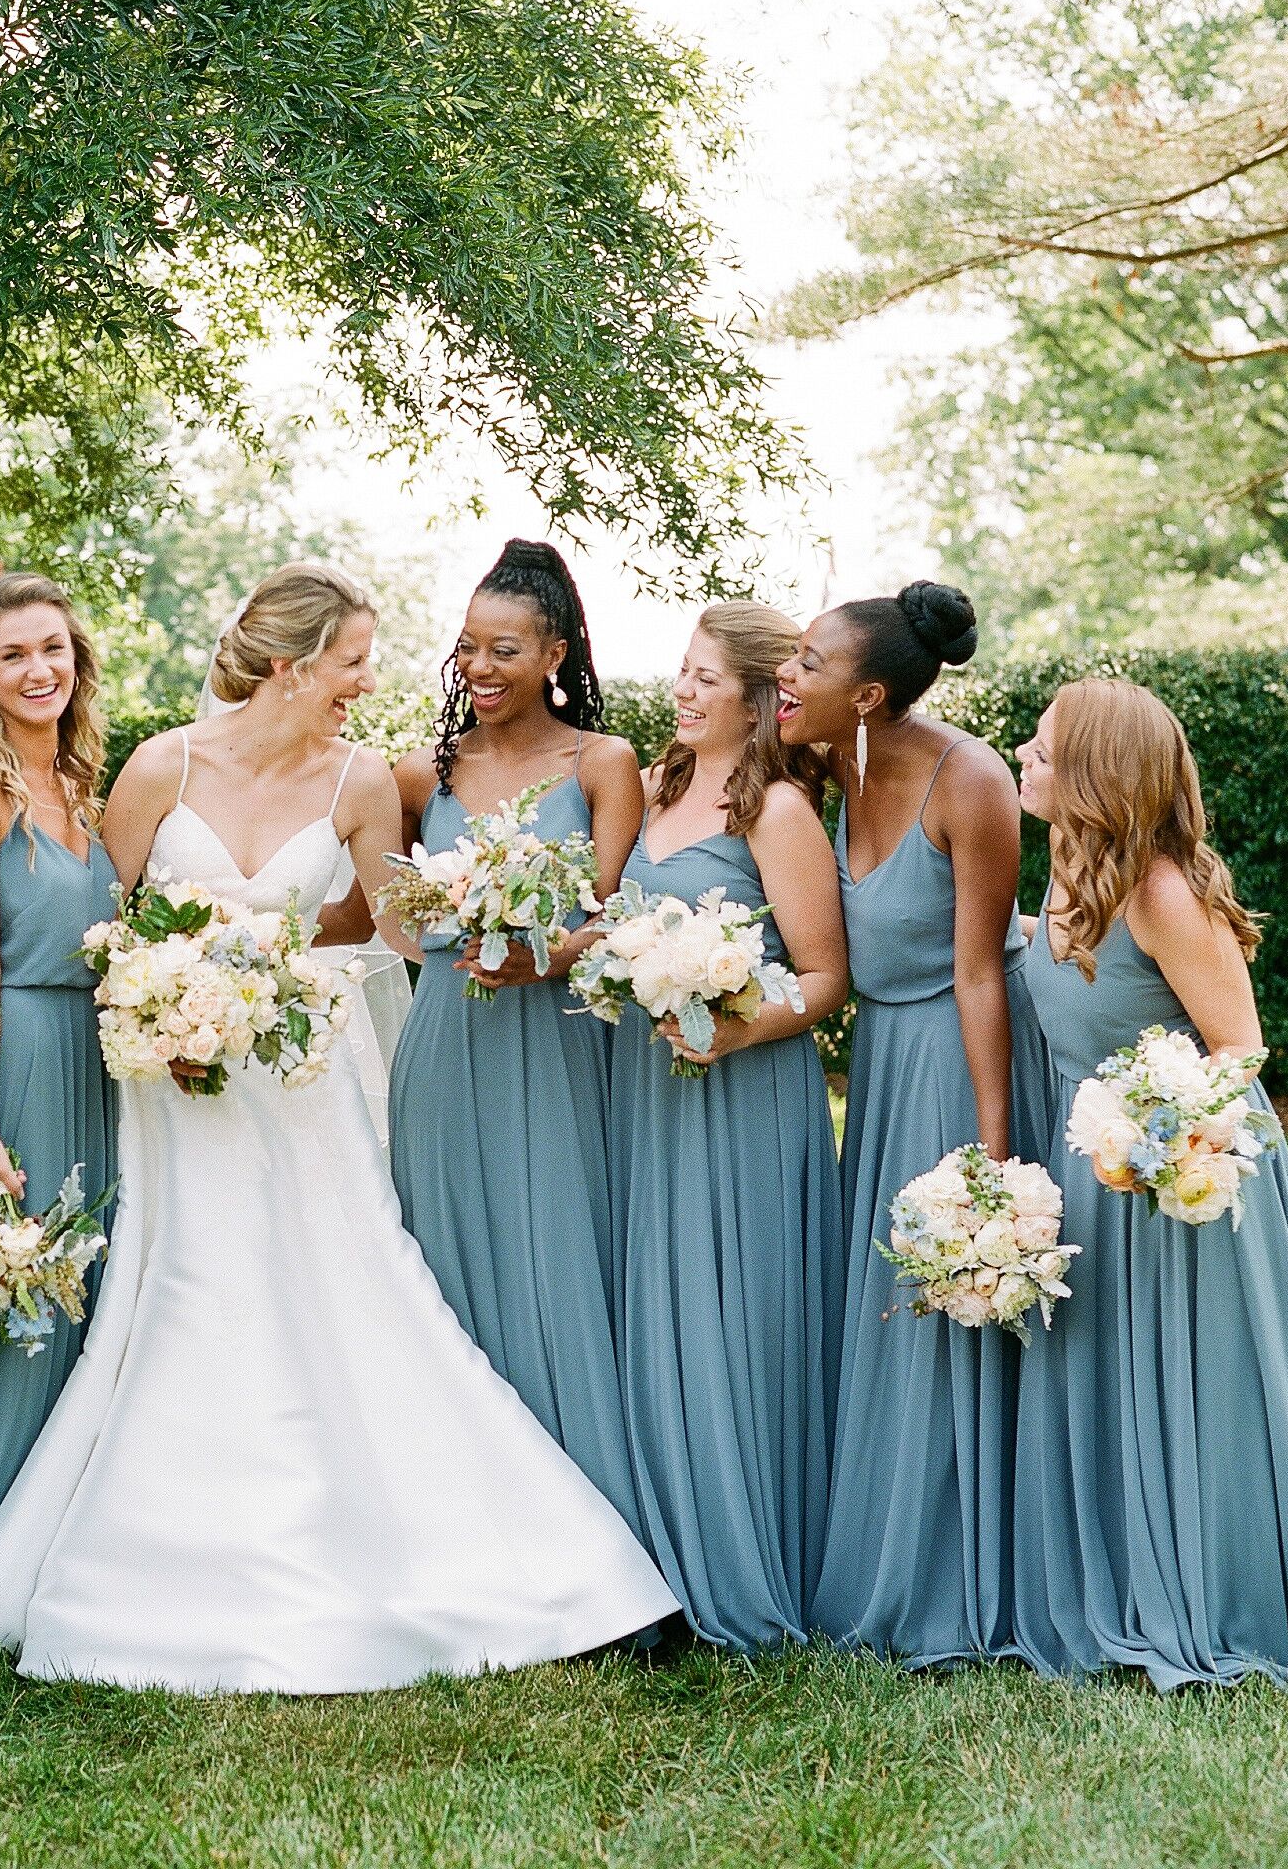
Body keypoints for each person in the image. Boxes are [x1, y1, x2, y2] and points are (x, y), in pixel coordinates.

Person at [0, 562, 677, 1692]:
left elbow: (393, 925)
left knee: (361, 1290)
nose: (367, 683)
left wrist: (500, 912)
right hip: (173, 1085)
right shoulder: (159, 765)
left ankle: (533, 1564)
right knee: (189, 1284)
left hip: (304, 1074)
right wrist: (167, 995)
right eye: (352, 663)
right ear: (289, 664)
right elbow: (100, 926)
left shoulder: (365, 777)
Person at [1009, 679, 1288, 1695]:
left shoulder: (1159, 891)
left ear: (1095, 775)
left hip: (1180, 1178)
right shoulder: (1070, 876)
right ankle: (1128, 1578)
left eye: (1045, 745)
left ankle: (1217, 1590)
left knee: (1201, 1390)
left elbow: (1238, 1046)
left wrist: (1157, 1142)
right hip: (1095, 1165)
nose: (1022, 751)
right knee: (1113, 1377)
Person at [784, 581, 1058, 1665]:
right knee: (889, 1304)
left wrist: (990, 1151)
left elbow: (983, 972)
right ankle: (877, 1547)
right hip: (886, 1062)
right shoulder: (834, 759)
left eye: (807, 663)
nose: (785, 679)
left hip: (963, 1049)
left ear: (870, 691)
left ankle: (956, 1574)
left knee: (945, 1294)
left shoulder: (974, 780)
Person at [386, 542, 646, 1524]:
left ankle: (587, 1525)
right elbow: (377, 909)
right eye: (466, 649)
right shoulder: (420, 773)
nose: (480, 669)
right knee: (446, 1260)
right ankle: (458, 1516)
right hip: (447, 1041)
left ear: (555, 652)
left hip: (561, 1037)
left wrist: (551, 952)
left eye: (502, 648)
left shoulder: (602, 762)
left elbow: (619, 913)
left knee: (559, 1257)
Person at [606, 604, 849, 1649]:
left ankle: (742, 1559)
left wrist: (740, 1029)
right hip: (643, 1086)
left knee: (730, 1319)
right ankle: (652, 1562)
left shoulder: (779, 814)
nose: (685, 690)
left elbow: (829, 978)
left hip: (741, 1088)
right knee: (650, 1309)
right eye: (683, 671)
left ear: (758, 699)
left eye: (708, 677)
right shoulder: (655, 785)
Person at [0, 573, 119, 1624]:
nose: (39, 669)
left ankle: (64, 1569)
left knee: (93, 1306)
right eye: (14, 656)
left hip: (104, 1060)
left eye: (53, 648)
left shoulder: (87, 783)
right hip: (26, 1055)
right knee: (27, 1304)